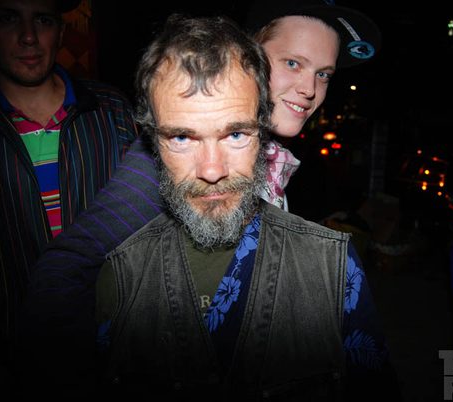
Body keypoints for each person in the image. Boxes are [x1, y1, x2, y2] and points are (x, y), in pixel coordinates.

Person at [93, 13, 392, 401]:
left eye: (323, 74)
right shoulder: (150, 173)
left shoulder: (283, 170)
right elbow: (76, 261)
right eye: (292, 63)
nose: (309, 89)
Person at [0, 0, 138, 390]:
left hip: (114, 356)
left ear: (60, 31)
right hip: (11, 363)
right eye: (8, 17)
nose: (28, 36)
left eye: (42, 20)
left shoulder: (111, 111)